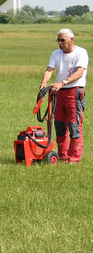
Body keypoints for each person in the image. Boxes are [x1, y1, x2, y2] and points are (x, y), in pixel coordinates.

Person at [41, 28, 87, 163]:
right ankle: (62, 155)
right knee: (59, 124)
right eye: (58, 40)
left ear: (71, 40)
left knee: (74, 125)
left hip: (74, 91)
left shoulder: (81, 53)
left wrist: (62, 83)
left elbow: (79, 72)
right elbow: (50, 69)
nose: (60, 43)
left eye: (63, 40)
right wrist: (44, 81)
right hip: (58, 93)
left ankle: (74, 157)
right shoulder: (56, 54)